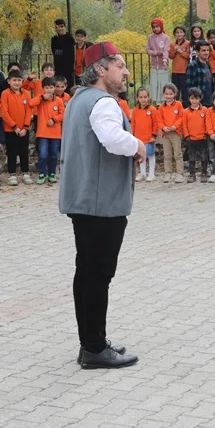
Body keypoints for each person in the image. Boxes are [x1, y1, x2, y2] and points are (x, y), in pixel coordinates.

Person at [58, 41, 144, 370]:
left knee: (87, 273)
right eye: (120, 65)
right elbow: (111, 138)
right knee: (98, 275)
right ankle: (94, 347)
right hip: (100, 204)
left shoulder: (78, 100)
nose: (125, 72)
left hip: (84, 201)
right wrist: (138, 145)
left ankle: (91, 342)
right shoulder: (103, 102)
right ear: (101, 69)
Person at [0, 70, 34, 186]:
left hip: (24, 129)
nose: (17, 83)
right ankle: (12, 174)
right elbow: (4, 112)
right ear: (9, 81)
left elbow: (29, 111)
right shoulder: (5, 94)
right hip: (10, 129)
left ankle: (25, 173)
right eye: (14, 80)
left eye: (19, 80)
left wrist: (25, 127)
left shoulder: (26, 94)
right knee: (12, 152)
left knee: (24, 151)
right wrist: (14, 127)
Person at [30, 77, 65, 185]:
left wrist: (54, 119)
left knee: (54, 154)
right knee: (43, 154)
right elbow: (31, 103)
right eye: (46, 88)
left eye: (51, 87)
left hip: (55, 133)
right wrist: (41, 97)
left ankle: (52, 173)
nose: (49, 90)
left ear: (54, 88)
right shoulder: (40, 99)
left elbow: (63, 114)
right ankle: (41, 174)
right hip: (42, 133)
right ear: (43, 88)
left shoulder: (58, 100)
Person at [157, 83, 185, 184]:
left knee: (177, 154)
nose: (168, 96)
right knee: (167, 154)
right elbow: (159, 120)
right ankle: (168, 173)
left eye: (170, 94)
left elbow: (181, 117)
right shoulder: (160, 107)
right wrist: (163, 127)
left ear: (175, 94)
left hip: (175, 132)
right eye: (166, 94)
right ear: (164, 94)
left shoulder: (178, 105)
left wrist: (175, 126)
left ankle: (180, 174)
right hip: (165, 134)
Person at [130, 87, 159, 182]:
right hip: (138, 138)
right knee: (140, 157)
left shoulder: (153, 110)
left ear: (149, 98)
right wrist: (132, 136)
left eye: (145, 97)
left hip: (149, 138)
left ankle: (151, 173)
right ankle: (142, 173)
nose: (143, 99)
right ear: (137, 98)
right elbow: (133, 124)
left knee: (150, 155)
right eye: (141, 97)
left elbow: (155, 123)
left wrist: (154, 135)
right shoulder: (135, 111)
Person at [183, 88, 209, 183]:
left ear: (200, 98)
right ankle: (192, 174)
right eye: (192, 98)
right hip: (191, 139)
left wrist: (206, 134)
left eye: (196, 98)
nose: (194, 101)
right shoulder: (185, 112)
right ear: (189, 99)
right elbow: (184, 125)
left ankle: (204, 173)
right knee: (191, 157)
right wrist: (187, 136)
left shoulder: (205, 110)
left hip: (202, 138)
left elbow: (207, 123)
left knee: (204, 157)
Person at [146, 18, 171, 103]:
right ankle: (156, 103)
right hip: (154, 66)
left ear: (161, 26)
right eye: (153, 27)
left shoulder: (166, 38)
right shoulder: (150, 37)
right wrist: (156, 52)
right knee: (154, 85)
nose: (155, 28)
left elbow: (166, 50)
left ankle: (164, 103)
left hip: (163, 66)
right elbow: (148, 50)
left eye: (157, 26)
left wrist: (164, 60)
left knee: (163, 85)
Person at [185, 40, 215, 107]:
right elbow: (189, 87)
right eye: (203, 50)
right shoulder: (192, 66)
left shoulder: (208, 64)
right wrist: (194, 101)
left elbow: (211, 84)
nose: (206, 52)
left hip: (210, 102)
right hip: (199, 103)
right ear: (197, 52)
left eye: (207, 50)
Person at [51, 19, 76, 89]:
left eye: (61, 26)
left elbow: (72, 53)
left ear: (64, 27)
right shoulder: (54, 39)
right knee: (58, 85)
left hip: (68, 67)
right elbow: (54, 51)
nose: (59, 29)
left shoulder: (69, 38)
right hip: (58, 66)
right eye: (57, 27)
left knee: (67, 86)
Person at [169, 26, 190, 103]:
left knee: (185, 90)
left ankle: (185, 107)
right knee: (175, 91)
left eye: (181, 32)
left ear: (184, 33)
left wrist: (181, 51)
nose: (179, 34)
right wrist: (174, 51)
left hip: (184, 71)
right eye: (177, 32)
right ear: (174, 34)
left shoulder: (188, 43)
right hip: (175, 71)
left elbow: (188, 57)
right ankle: (174, 106)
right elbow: (170, 56)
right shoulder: (172, 44)